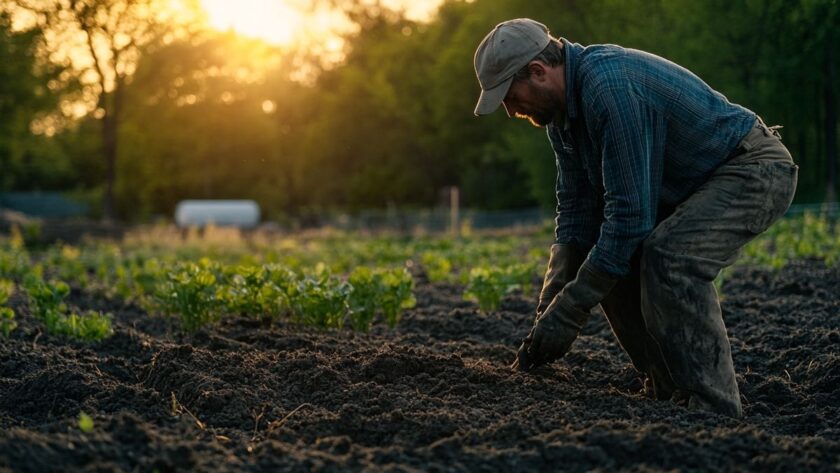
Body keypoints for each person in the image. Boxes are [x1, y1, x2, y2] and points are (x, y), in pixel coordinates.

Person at [473, 18, 798, 418]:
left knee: (668, 257)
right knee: (609, 258)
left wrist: (571, 313)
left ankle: (713, 409)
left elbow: (629, 220)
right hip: (693, 185)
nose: (509, 110)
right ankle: (669, 394)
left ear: (538, 72)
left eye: (509, 95)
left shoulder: (610, 90)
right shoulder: (561, 119)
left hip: (752, 169)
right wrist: (548, 315)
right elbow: (575, 217)